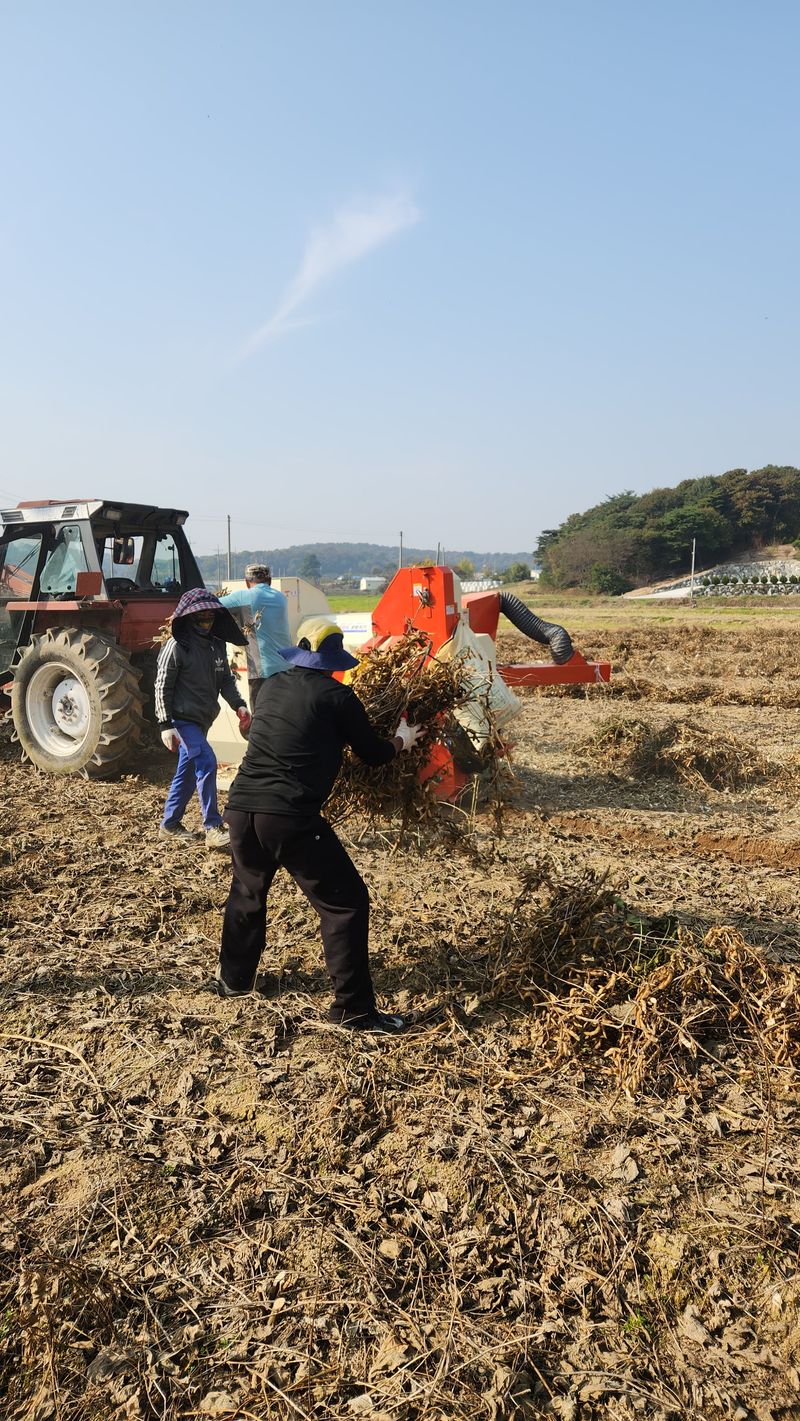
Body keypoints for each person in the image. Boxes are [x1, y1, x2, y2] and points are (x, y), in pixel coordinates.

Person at [217, 616, 423, 1032]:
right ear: (333, 661)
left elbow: (269, 734)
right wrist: (404, 738)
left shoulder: (271, 686)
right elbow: (374, 754)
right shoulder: (338, 697)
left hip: (240, 808)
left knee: (248, 891)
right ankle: (354, 1011)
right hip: (288, 815)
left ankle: (234, 981)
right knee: (346, 904)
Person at [155, 588, 252, 849]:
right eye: (201, 617)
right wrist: (165, 724)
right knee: (208, 761)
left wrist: (239, 705)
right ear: (189, 617)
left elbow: (225, 680)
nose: (206, 621)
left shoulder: (216, 645)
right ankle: (213, 827)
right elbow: (162, 685)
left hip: (202, 719)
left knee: (187, 773)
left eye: (210, 616)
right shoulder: (177, 646)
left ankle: (170, 825)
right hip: (181, 720)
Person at [219, 564, 292, 710]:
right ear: (269, 580)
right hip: (287, 667)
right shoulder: (281, 597)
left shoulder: (245, 597)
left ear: (247, 582)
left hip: (262, 671)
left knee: (261, 715)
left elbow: (211, 605)